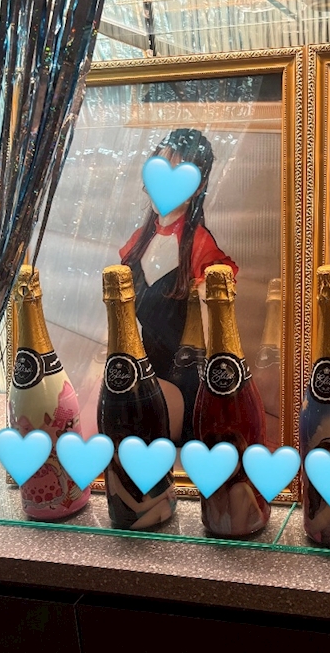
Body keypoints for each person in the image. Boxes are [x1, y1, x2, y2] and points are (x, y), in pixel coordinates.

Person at [120, 128, 238, 442]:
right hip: (143, 375)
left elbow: (214, 338)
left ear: (197, 186)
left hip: (186, 384)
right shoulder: (137, 244)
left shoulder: (201, 249)